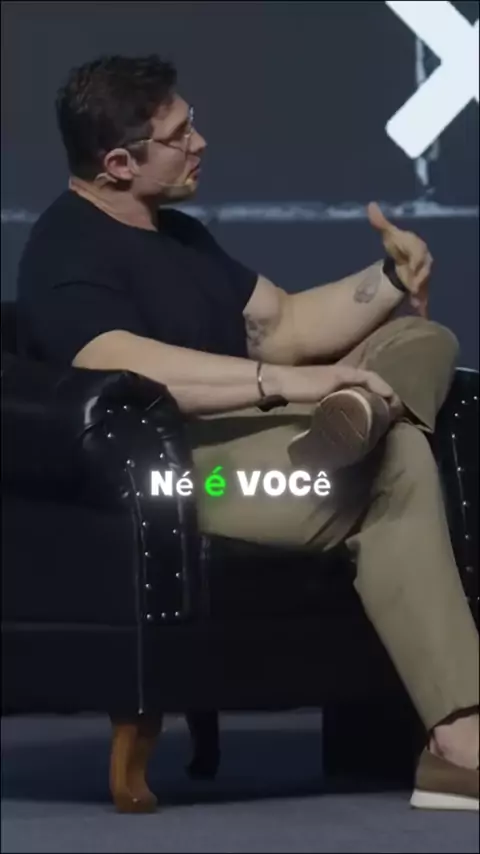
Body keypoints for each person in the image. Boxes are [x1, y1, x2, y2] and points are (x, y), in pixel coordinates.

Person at [16, 54, 478, 813]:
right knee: (396, 459)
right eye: (179, 135)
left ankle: (360, 421)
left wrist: (389, 279)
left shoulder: (179, 237)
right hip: (187, 476)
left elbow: (284, 323)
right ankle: (461, 745)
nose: (199, 142)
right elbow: (124, 368)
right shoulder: (65, 251)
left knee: (424, 340)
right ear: (119, 163)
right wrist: (288, 384)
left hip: (273, 450)